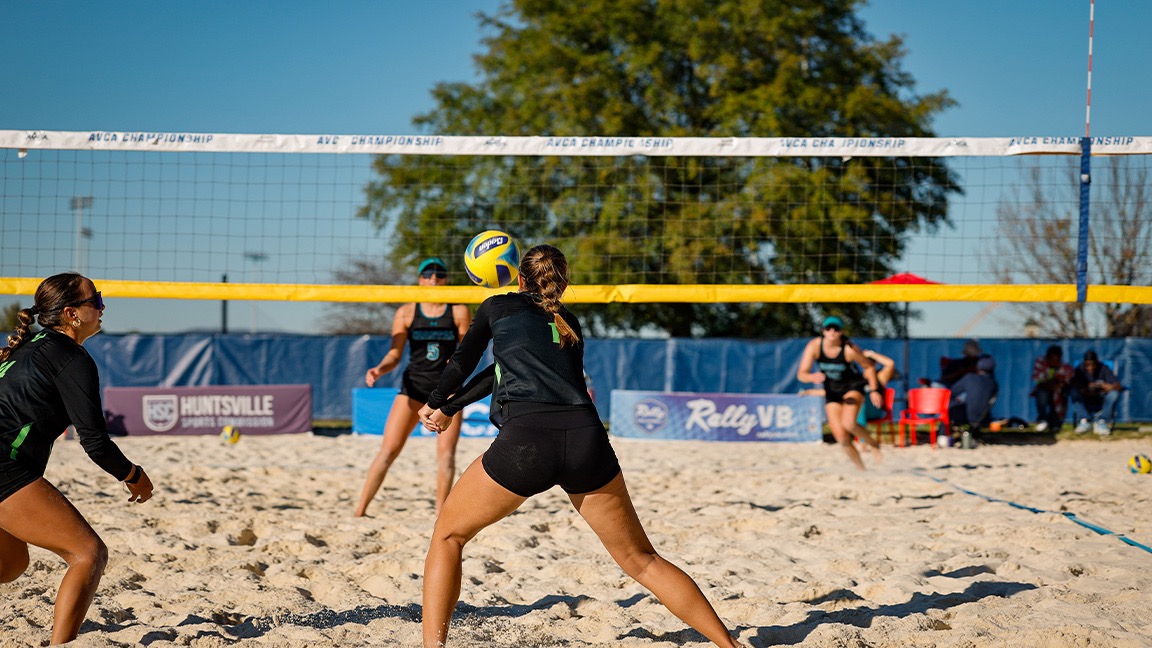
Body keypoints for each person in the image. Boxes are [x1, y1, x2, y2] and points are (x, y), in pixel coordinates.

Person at [416, 245, 744, 648]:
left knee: (448, 536)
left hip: (527, 443)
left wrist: (434, 403)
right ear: (563, 283)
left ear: (519, 279)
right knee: (642, 560)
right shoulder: (567, 321)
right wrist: (450, 406)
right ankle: (729, 645)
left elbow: (463, 363)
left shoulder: (496, 306)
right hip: (587, 439)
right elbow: (497, 371)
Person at [0, 273, 154, 645]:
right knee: (88, 553)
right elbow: (95, 442)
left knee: (11, 564)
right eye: (95, 300)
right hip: (5, 468)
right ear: (71, 314)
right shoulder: (70, 357)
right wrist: (133, 474)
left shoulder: (26, 347)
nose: (102, 307)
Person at [354, 258, 472, 517]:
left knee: (446, 456)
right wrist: (379, 369)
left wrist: (457, 363)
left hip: (447, 392)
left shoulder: (458, 311)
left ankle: (441, 515)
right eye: (428, 274)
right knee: (388, 451)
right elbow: (394, 354)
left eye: (439, 274)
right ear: (419, 279)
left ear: (446, 279)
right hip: (413, 388)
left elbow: (467, 354)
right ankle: (360, 511)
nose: (434, 278)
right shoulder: (407, 311)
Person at [796, 316, 883, 469]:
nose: (831, 332)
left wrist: (875, 390)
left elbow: (869, 367)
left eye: (835, 329)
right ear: (823, 331)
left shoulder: (849, 349)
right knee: (841, 438)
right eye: (828, 328)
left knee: (849, 423)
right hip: (832, 392)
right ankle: (861, 469)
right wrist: (811, 376)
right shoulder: (815, 346)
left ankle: (873, 444)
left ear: (841, 332)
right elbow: (801, 374)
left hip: (852, 387)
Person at [1068, 350, 1122, 436]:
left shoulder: (1104, 368)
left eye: (1092, 364)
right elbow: (1072, 383)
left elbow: (1118, 386)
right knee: (1073, 391)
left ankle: (1101, 421)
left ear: (1097, 362)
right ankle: (1084, 420)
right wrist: (1084, 387)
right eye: (1087, 365)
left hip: (1101, 398)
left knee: (1114, 394)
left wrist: (1108, 386)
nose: (1090, 367)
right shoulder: (1080, 369)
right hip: (1085, 398)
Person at [947, 355, 999, 431]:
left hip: (967, 417)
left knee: (950, 403)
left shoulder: (970, 378)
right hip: (984, 419)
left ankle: (943, 434)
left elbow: (951, 392)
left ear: (978, 366)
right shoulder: (994, 384)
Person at [1030, 344, 1074, 432]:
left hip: (1059, 392)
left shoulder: (1065, 368)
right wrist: (1052, 384)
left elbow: (1069, 381)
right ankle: (1043, 420)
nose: (1054, 362)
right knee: (1042, 394)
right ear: (1047, 358)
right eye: (1051, 359)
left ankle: (1056, 422)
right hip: (1045, 390)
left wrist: (1058, 385)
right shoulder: (1040, 363)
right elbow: (1038, 381)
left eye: (1056, 359)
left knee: (1062, 395)